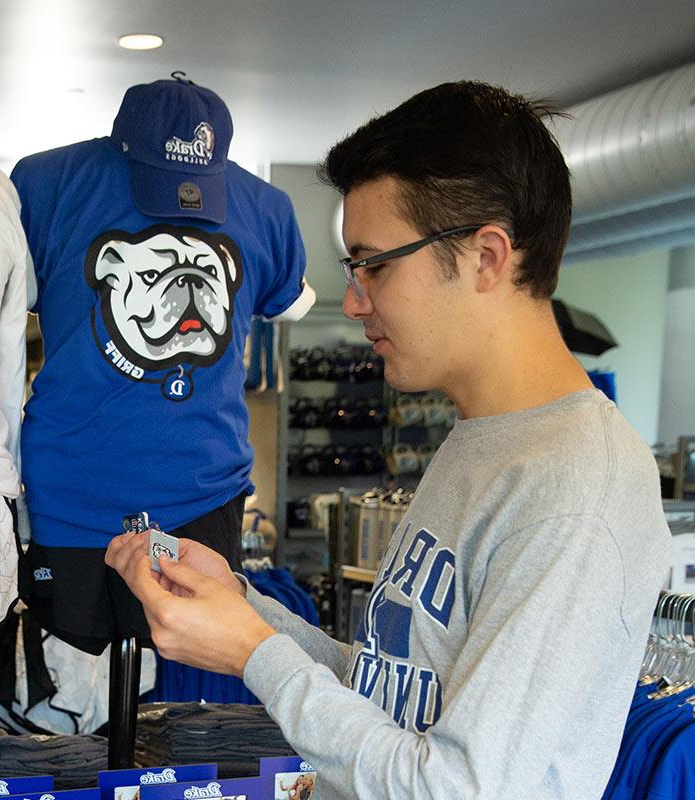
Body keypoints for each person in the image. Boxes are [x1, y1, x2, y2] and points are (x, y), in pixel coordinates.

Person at [105, 81, 672, 799]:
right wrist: (245, 606)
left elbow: (461, 789)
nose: (353, 300)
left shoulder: (573, 491)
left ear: (487, 257)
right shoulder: (484, 439)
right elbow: (395, 695)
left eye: (376, 265)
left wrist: (254, 654)